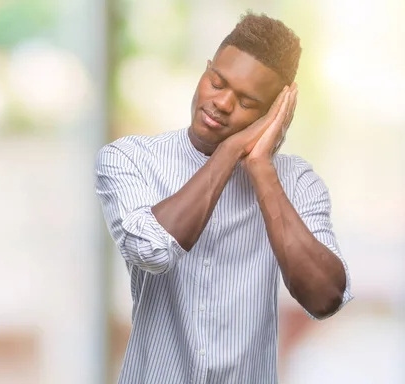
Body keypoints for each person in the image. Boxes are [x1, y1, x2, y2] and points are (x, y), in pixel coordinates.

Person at [94, 11, 353, 384]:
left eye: (247, 102)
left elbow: (324, 298)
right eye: (217, 82)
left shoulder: (299, 183)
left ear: (273, 114)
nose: (222, 103)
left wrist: (261, 169)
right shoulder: (130, 158)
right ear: (206, 70)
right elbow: (151, 250)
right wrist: (229, 152)